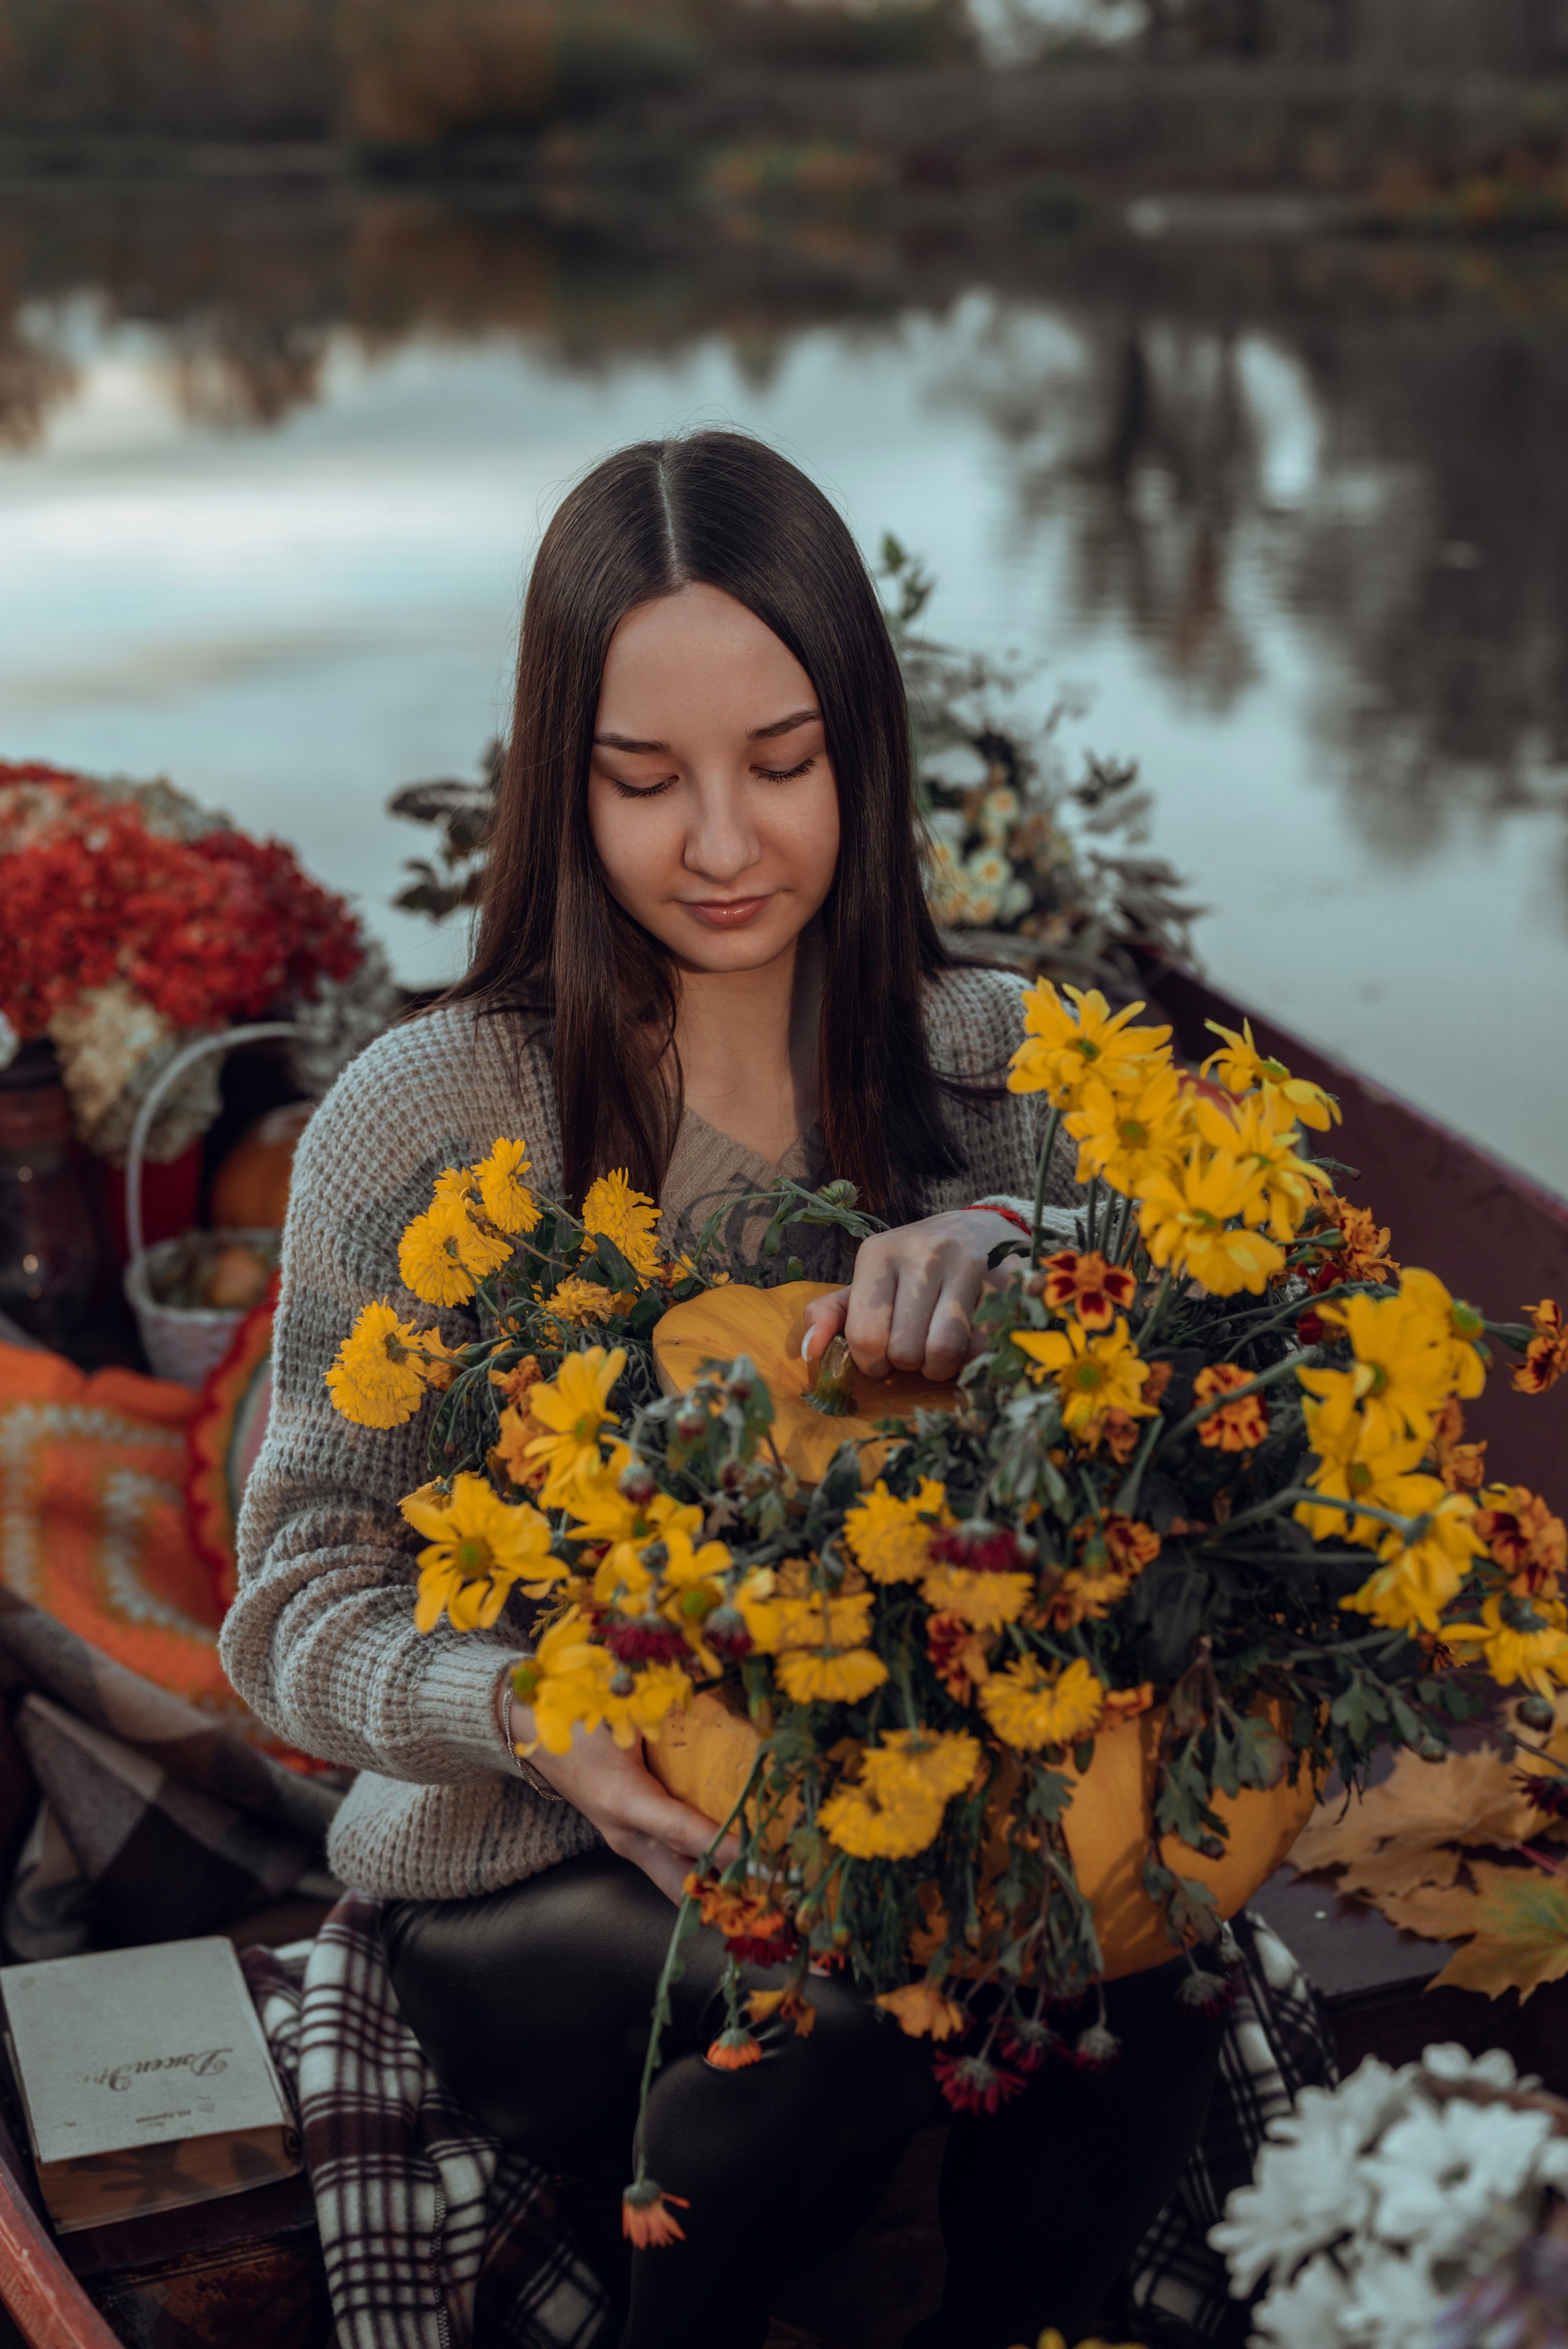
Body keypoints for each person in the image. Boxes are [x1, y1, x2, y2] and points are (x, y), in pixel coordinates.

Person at [222, 431, 1224, 2349]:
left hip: (936, 1818)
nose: (720, 843)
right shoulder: (427, 1120)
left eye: (781, 763)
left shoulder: (1009, 1060)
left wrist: (1030, 1247)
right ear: (556, 781)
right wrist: (533, 1711)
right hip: (540, 1892)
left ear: (860, 741)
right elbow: (289, 1612)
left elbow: (1231, 1357)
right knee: (848, 1980)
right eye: (640, 778)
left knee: (1157, 1968)